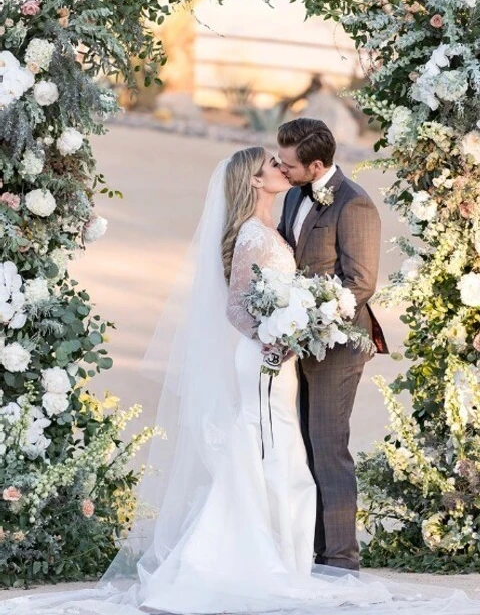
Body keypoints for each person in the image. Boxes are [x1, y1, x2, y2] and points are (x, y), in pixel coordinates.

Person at [1, 148, 478, 615]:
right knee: (267, 445)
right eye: (272, 163)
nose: (280, 167)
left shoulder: (272, 224)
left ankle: (283, 559)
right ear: (253, 179)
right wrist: (273, 336)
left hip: (281, 356)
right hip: (264, 358)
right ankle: (250, 557)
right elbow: (236, 307)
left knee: (278, 447)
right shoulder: (253, 234)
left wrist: (297, 324)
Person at [277, 117, 388, 572]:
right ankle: (310, 551)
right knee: (301, 443)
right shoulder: (290, 195)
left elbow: (359, 284)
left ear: (316, 164)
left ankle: (341, 560)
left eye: (288, 164)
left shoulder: (355, 205)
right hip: (296, 342)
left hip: (338, 345)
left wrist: (310, 320)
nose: (280, 169)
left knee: (327, 445)